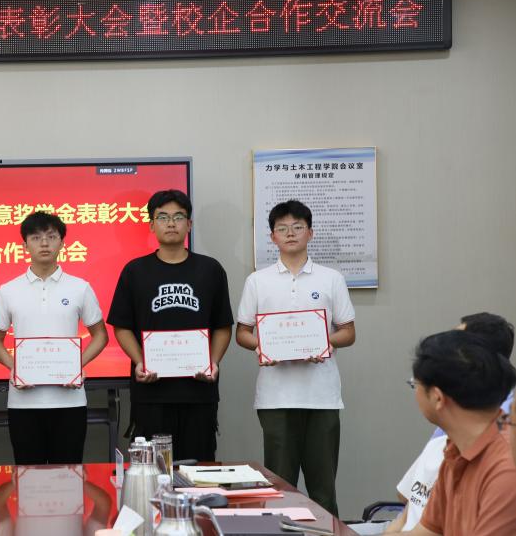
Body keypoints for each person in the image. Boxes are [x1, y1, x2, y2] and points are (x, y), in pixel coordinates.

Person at [235, 200, 355, 516]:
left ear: (310, 233)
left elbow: (348, 332)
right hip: (275, 398)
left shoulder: (331, 278)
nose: (290, 233)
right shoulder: (257, 281)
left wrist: (322, 342)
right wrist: (263, 347)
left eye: (298, 227)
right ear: (272, 237)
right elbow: (242, 333)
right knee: (279, 489)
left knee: (323, 490)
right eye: (282, 228)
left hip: (322, 397)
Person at [107, 189, 233, 462]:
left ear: (189, 224)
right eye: (163, 217)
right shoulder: (135, 271)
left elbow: (223, 326)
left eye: (178, 217)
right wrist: (140, 361)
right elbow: (122, 327)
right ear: (152, 225)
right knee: (153, 470)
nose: (171, 223)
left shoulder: (210, 269)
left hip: (199, 392)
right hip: (151, 393)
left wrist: (213, 362)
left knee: (199, 469)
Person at [0, 211, 109, 465]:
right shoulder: (8, 290)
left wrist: (77, 365)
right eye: (36, 237)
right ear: (25, 245)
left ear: (62, 243)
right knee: (27, 475)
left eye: (51, 237)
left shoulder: (80, 287)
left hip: (70, 400)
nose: (44, 243)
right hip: (23, 402)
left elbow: (100, 335)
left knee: (68, 473)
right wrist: (14, 367)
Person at [377, 313, 515, 534]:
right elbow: (425, 532)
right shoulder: (454, 452)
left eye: (415, 385)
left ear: (437, 398)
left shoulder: (506, 468)